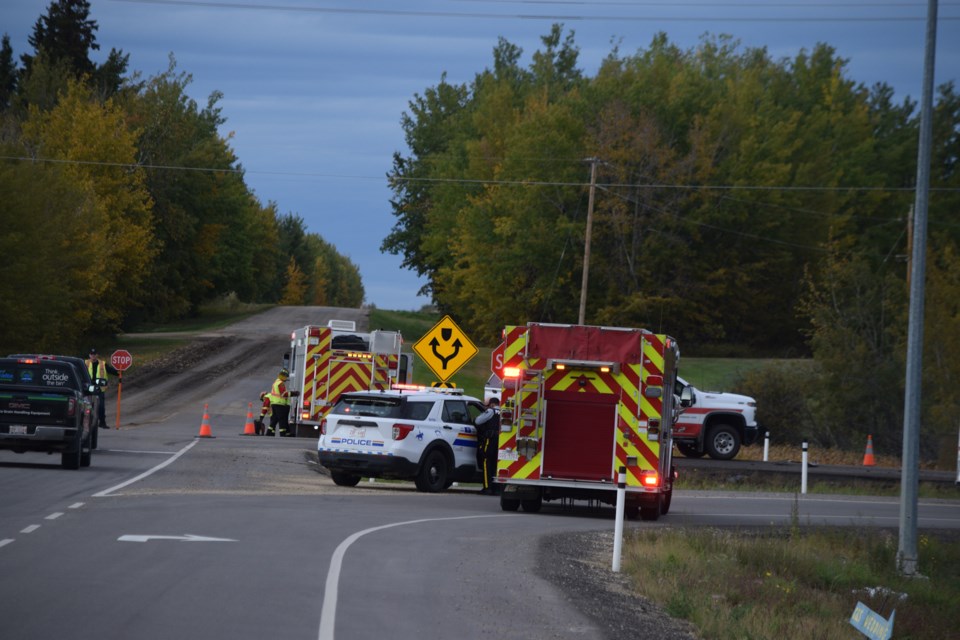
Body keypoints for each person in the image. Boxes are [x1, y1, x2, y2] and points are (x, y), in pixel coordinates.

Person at [85, 348, 117, 429]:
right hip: (87, 389)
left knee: (101, 407)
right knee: (87, 407)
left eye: (95, 354)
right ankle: (86, 423)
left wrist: (119, 372)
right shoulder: (85, 363)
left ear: (97, 355)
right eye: (92, 354)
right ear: (89, 355)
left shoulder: (102, 364)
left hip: (99, 389)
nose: (93, 356)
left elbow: (111, 371)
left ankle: (102, 423)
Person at [474, 398, 500, 495]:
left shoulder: (491, 411)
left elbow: (477, 421)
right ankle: (497, 489)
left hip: (491, 440)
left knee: (486, 462)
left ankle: (487, 488)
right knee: (496, 464)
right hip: (501, 441)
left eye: (488, 405)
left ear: (492, 404)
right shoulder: (503, 411)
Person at [267, 368, 298, 437]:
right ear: (283, 376)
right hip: (279, 404)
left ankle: (268, 432)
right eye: (286, 376)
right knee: (282, 419)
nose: (286, 378)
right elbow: (284, 394)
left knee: (274, 419)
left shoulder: (275, 382)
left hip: (274, 403)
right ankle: (282, 434)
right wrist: (294, 393)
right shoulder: (280, 383)